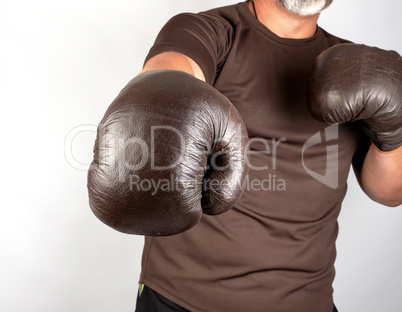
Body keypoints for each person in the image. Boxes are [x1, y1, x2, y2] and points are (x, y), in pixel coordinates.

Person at [88, 0, 402, 311]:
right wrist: (163, 93)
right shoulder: (210, 32)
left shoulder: (354, 68)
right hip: (183, 301)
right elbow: (171, 71)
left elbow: (389, 192)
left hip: (307, 302)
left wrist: (395, 129)